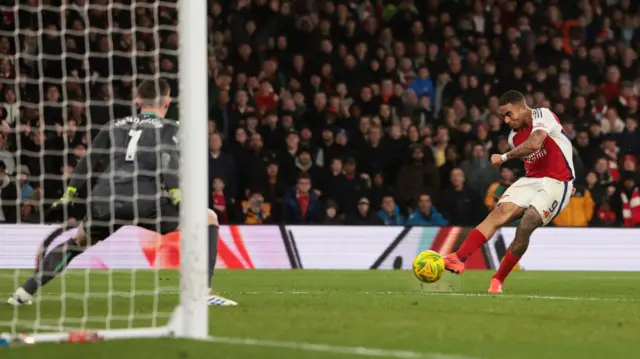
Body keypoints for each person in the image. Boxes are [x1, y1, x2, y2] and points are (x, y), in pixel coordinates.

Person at [8, 79, 237, 307]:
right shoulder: (170, 127)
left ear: (138, 100)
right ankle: (202, 291)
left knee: (78, 241)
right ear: (167, 103)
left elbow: (89, 160)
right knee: (208, 219)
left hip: (107, 199)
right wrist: (176, 192)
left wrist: (70, 192)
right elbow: (168, 158)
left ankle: (24, 292)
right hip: (146, 201)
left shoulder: (114, 125)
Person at [443, 90, 575, 293]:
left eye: (508, 114)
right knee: (500, 212)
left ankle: (498, 279)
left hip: (557, 182)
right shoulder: (514, 137)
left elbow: (535, 143)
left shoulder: (542, 114)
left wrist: (503, 158)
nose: (506, 120)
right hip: (532, 179)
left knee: (527, 222)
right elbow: (534, 159)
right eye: (502, 116)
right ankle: (458, 258)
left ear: (523, 108)